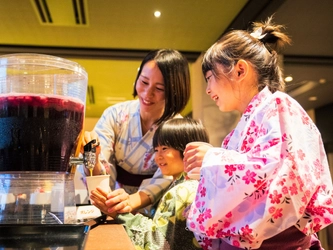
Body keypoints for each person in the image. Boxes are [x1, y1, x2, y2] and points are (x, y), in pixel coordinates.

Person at [183, 16, 333, 249]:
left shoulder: (279, 105)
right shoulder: (243, 127)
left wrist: (213, 159)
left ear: (240, 70)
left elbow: (277, 170)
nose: (207, 89)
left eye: (210, 78)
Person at [82, 49, 191, 215]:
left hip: (155, 207)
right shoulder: (115, 115)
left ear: (175, 90)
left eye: (159, 88)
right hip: (113, 199)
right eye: (144, 82)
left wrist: (131, 202)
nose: (148, 94)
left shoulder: (178, 128)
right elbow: (101, 161)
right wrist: (94, 159)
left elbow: (170, 175)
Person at [90, 118, 209, 249]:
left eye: (164, 148)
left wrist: (118, 214)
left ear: (188, 149)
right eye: (156, 150)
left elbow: (157, 243)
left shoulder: (181, 191)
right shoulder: (199, 184)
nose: (158, 157)